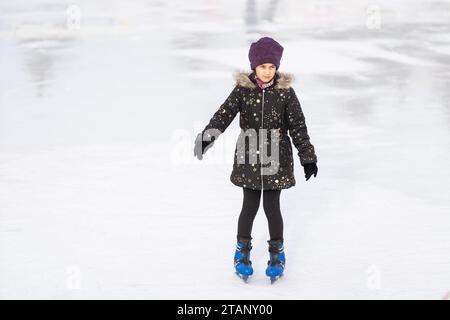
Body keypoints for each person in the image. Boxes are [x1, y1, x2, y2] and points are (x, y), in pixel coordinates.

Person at [194, 37, 318, 283]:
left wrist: (307, 157)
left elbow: (298, 126)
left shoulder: (285, 92)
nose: (267, 71)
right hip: (249, 153)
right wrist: (208, 137)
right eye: (263, 67)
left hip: (276, 155)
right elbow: (224, 114)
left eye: (272, 67)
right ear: (254, 67)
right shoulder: (243, 90)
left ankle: (276, 253)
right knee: (249, 207)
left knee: (272, 208)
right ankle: (242, 252)